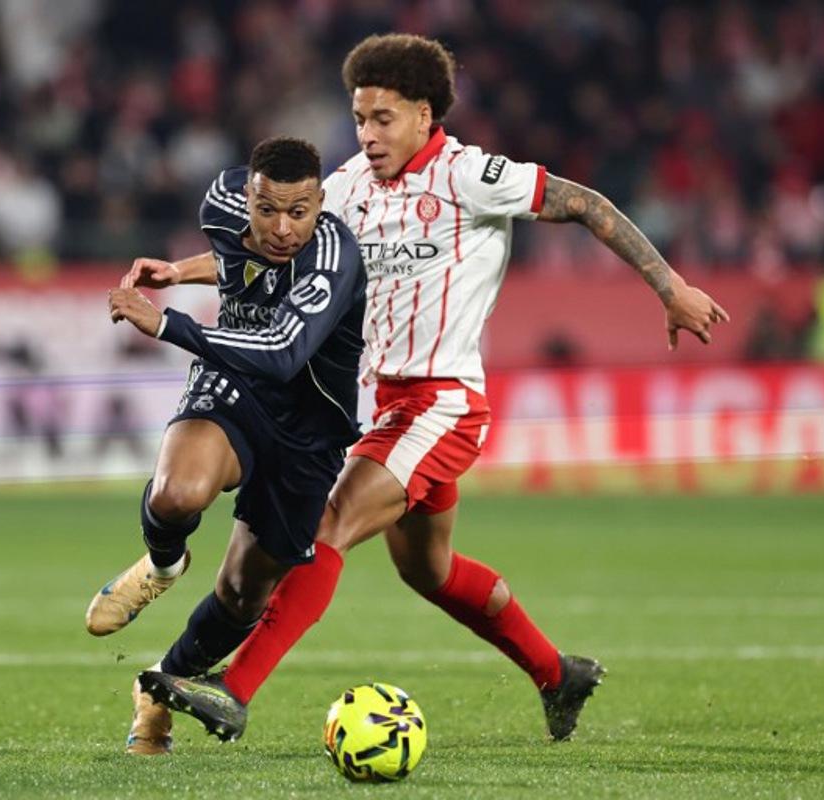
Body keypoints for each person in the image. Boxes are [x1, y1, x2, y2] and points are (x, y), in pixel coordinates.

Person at [133, 34, 730, 744]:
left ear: (424, 114)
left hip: (440, 404)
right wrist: (181, 271)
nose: (368, 134)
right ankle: (557, 674)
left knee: (329, 525)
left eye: (383, 118)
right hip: (380, 404)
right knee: (429, 570)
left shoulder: (470, 175)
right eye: (360, 117)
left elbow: (585, 203)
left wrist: (670, 286)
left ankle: (234, 690)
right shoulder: (346, 187)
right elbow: (275, 248)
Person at [86, 136, 367, 754]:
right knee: (177, 493)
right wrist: (180, 270)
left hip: (309, 424)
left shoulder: (334, 254)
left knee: (243, 592)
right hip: (233, 382)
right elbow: (237, 256)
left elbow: (284, 352)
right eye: (268, 210)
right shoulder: (220, 200)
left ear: (320, 203)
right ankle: (162, 565)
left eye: (299, 213)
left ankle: (158, 687)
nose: (283, 228)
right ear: (247, 198)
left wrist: (168, 323)